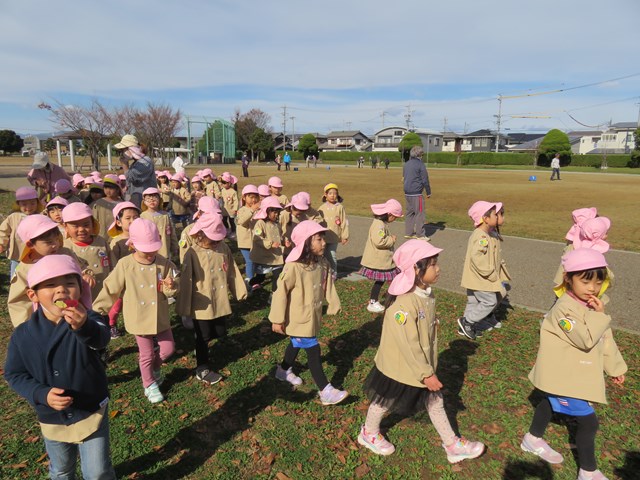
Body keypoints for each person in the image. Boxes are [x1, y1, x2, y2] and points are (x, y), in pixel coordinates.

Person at [358, 239, 485, 462]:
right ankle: (369, 433)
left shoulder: (425, 294)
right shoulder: (404, 304)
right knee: (384, 400)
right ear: (416, 270)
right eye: (433, 265)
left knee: (435, 402)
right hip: (400, 366)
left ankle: (452, 444)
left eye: (436, 263)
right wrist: (426, 374)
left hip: (418, 365)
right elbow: (409, 344)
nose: (438, 269)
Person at [4, 255, 116, 479]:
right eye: (50, 285)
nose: (61, 289)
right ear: (33, 295)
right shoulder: (23, 334)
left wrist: (83, 326)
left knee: (97, 472)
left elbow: (101, 339)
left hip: (90, 409)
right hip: (52, 417)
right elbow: (14, 374)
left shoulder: (90, 319)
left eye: (69, 283)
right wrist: (41, 394)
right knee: (61, 469)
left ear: (80, 288)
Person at [522, 248, 626, 480]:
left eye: (598, 281)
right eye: (585, 281)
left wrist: (615, 368)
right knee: (588, 422)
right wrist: (599, 316)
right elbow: (585, 339)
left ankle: (532, 438)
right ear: (568, 279)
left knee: (548, 401)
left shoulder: (592, 306)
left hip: (572, 373)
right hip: (563, 375)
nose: (592, 288)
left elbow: (604, 338)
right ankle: (588, 471)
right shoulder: (563, 310)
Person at [93, 218, 178, 404]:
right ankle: (149, 384)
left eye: (153, 249)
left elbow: (172, 285)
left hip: (159, 315)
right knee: (146, 354)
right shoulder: (125, 264)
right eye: (145, 250)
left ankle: (154, 370)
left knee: (168, 348)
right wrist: (98, 309)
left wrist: (171, 286)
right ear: (132, 245)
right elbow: (111, 288)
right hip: (139, 316)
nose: (150, 253)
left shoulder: (163, 263)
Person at [269, 220, 347, 405]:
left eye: (323, 239)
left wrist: (333, 302)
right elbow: (280, 293)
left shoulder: (322, 262)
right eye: (319, 239)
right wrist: (277, 319)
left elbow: (328, 283)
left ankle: (283, 370)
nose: (324, 243)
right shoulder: (294, 267)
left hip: (312, 315)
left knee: (296, 343)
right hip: (298, 317)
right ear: (306, 243)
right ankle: (325, 390)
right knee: (313, 349)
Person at [177, 213, 247, 385]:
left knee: (220, 331)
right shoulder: (192, 253)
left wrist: (239, 291)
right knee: (203, 336)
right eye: (213, 238)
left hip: (220, 299)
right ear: (201, 234)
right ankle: (202, 367)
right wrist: (184, 306)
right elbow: (186, 279)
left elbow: (232, 271)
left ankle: (204, 346)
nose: (216, 242)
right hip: (201, 303)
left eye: (218, 238)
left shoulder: (223, 248)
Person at [7, 215, 78, 327]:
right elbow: (18, 300)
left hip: (72, 313)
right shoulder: (25, 268)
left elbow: (78, 274)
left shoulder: (65, 254)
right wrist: (27, 326)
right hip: (45, 320)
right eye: (49, 242)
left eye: (56, 239)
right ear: (30, 244)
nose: (55, 245)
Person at [458, 201, 510, 340]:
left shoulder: (489, 234)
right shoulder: (481, 237)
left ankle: (466, 327)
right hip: (481, 277)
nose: (498, 217)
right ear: (485, 218)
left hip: (477, 277)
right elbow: (477, 258)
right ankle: (468, 321)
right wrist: (490, 273)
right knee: (489, 301)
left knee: (474, 302)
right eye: (495, 214)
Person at [62, 202, 113, 301]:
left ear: (93, 224)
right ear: (66, 227)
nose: (81, 229)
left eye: (86, 224)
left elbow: (112, 265)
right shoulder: (65, 248)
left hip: (104, 293)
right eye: (75, 226)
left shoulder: (101, 242)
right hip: (80, 297)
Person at [359, 199, 402, 313]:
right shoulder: (379, 225)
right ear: (389, 214)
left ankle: (392, 298)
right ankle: (374, 302)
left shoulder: (381, 224)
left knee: (386, 280)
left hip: (383, 260)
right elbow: (379, 241)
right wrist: (391, 239)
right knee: (381, 280)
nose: (395, 220)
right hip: (380, 260)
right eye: (395, 217)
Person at [106, 201, 141, 338]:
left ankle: (140, 325)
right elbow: (113, 262)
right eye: (128, 218)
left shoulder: (142, 236)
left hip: (139, 277)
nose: (132, 220)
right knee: (117, 305)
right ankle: (111, 324)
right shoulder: (117, 242)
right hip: (123, 280)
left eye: (135, 217)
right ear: (119, 222)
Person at [0, 186, 43, 278]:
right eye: (24, 204)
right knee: (16, 276)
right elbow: (3, 231)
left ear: (37, 203)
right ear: (18, 204)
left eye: (32, 203)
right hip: (18, 253)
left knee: (35, 275)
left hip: (35, 254)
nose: (29, 207)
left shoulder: (41, 217)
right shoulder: (14, 217)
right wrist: (1, 244)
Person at [249, 196, 286, 291]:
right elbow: (257, 238)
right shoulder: (260, 223)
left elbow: (279, 236)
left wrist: (284, 242)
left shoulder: (277, 224)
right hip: (264, 257)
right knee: (260, 278)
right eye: (274, 212)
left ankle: (275, 294)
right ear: (266, 211)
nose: (276, 215)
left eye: (277, 212)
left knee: (278, 275)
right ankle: (250, 284)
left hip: (276, 256)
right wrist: (270, 244)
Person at [114, 134, 157, 208]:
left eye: (123, 150)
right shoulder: (136, 162)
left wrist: (124, 164)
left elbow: (131, 177)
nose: (122, 153)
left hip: (145, 202)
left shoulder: (145, 162)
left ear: (131, 149)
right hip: (137, 199)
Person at [317, 183, 349, 278]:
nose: (332, 195)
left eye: (335, 193)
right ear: (325, 195)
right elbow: (317, 221)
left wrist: (345, 236)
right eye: (330, 193)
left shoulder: (339, 207)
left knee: (332, 255)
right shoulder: (321, 208)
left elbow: (344, 222)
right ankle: (323, 273)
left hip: (334, 236)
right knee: (322, 255)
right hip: (323, 237)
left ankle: (333, 273)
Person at [140, 187, 179, 263]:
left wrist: (175, 246)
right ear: (144, 201)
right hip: (149, 250)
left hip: (164, 248)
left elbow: (172, 232)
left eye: (155, 198)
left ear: (160, 200)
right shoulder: (142, 216)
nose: (152, 200)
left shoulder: (165, 215)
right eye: (148, 199)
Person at [403, 145, 432, 240]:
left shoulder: (406, 164)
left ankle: (409, 232)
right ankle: (420, 234)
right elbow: (425, 179)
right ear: (420, 155)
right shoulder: (420, 164)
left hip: (407, 192)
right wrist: (428, 192)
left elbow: (404, 177)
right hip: (416, 193)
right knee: (420, 213)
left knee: (409, 212)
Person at [236, 185, 261, 284]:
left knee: (255, 260)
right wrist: (252, 210)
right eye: (251, 197)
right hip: (245, 242)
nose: (253, 200)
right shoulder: (241, 210)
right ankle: (249, 280)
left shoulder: (258, 210)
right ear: (244, 197)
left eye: (256, 197)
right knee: (250, 260)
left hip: (255, 241)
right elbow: (242, 221)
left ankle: (255, 279)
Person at [91, 174, 123, 241]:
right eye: (106, 188)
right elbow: (94, 219)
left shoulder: (122, 204)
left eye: (111, 188)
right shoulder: (99, 203)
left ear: (118, 189)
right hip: (102, 235)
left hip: (117, 235)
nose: (108, 191)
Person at [219, 172, 239, 239]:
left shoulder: (233, 192)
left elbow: (236, 201)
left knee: (231, 221)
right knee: (224, 220)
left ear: (229, 183)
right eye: (222, 183)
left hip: (231, 210)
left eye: (224, 183)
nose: (223, 185)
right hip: (224, 210)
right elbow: (220, 195)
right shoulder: (223, 190)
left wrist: (235, 209)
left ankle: (233, 231)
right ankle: (227, 229)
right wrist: (218, 196)